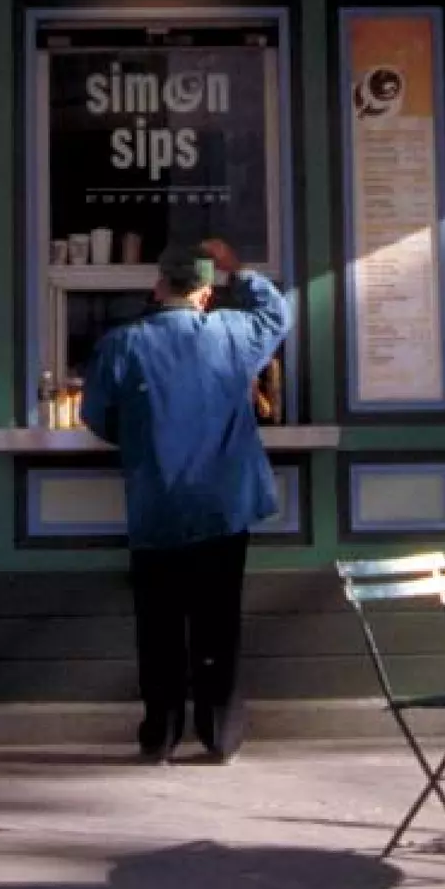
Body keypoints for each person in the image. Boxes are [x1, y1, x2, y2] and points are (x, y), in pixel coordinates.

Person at [82, 237, 294, 765]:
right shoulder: (232, 334)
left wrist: (140, 438)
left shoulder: (123, 343)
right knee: (218, 624)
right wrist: (237, 268)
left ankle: (161, 735)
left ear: (158, 288)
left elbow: (96, 415)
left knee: (158, 628)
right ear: (203, 293)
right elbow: (277, 311)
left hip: (157, 507)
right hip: (222, 508)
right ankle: (220, 734)